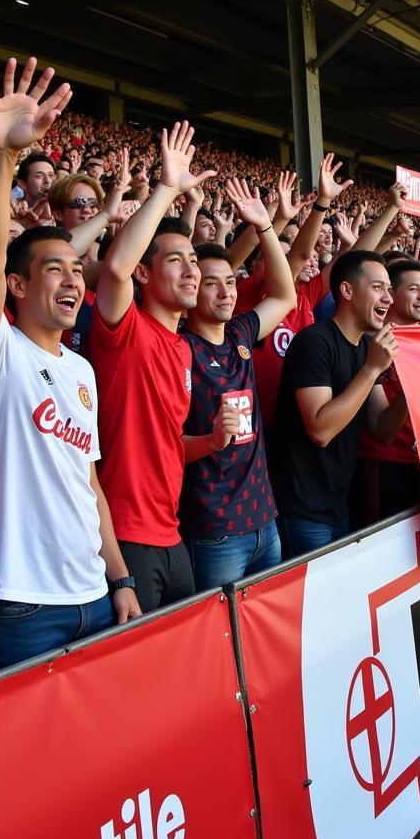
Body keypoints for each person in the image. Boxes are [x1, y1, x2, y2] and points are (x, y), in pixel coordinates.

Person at [0, 57, 140, 678]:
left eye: (75, 269)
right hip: (15, 607)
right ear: (17, 286)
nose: (72, 280)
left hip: (92, 596)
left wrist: (119, 578)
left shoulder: (82, 370)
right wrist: (2, 157)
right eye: (52, 269)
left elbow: (88, 488)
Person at [90, 120, 215, 610]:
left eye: (194, 260)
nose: (192, 269)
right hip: (125, 538)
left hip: (172, 533)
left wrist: (213, 442)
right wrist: (166, 189)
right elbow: (115, 268)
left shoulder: (183, 347)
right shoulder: (124, 328)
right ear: (146, 272)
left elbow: (167, 443)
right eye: (175, 261)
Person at [179, 178, 296, 587]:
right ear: (191, 288)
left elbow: (285, 297)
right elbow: (164, 443)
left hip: (265, 519)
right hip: (215, 529)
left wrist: (267, 228)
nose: (226, 292)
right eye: (212, 283)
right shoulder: (179, 348)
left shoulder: (241, 333)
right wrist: (210, 441)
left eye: (231, 282)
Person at [271, 250, 398, 557]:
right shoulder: (314, 342)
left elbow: (383, 429)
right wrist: (371, 370)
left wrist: (409, 391)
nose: (389, 299)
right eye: (378, 287)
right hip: (303, 510)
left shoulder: (368, 346)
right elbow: (320, 429)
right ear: (347, 291)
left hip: (339, 503)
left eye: (389, 289)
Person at [358, 258, 420, 523]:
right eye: (414, 289)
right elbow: (382, 432)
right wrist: (415, 384)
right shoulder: (371, 343)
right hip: (385, 467)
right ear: (391, 295)